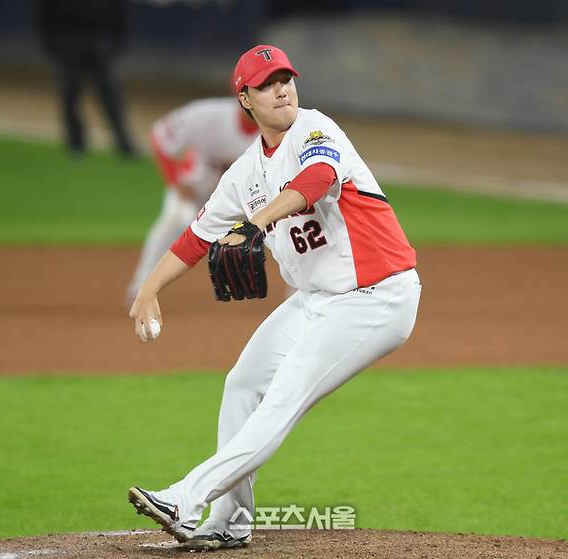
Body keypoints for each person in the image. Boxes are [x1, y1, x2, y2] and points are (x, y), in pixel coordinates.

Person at [128, 44, 421, 551]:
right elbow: (197, 237)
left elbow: (317, 178)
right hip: (314, 300)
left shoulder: (314, 129)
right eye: (266, 83)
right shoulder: (244, 174)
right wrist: (150, 290)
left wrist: (256, 222)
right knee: (243, 383)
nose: (281, 89)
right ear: (245, 99)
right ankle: (229, 520)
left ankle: (185, 499)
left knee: (284, 397)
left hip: (376, 296)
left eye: (285, 78)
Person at [125, 97, 260, 308]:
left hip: (232, 202)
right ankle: (140, 289)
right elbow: (160, 135)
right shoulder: (209, 116)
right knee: (177, 218)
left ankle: (297, 293)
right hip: (193, 191)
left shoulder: (274, 131)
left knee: (279, 227)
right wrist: (175, 181)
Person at [36, 0, 136, 156]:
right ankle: (76, 143)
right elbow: (45, 9)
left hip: (100, 37)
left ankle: (122, 141)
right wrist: (50, 42)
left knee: (109, 93)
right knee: (70, 94)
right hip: (68, 37)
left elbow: (118, 8)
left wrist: (118, 41)